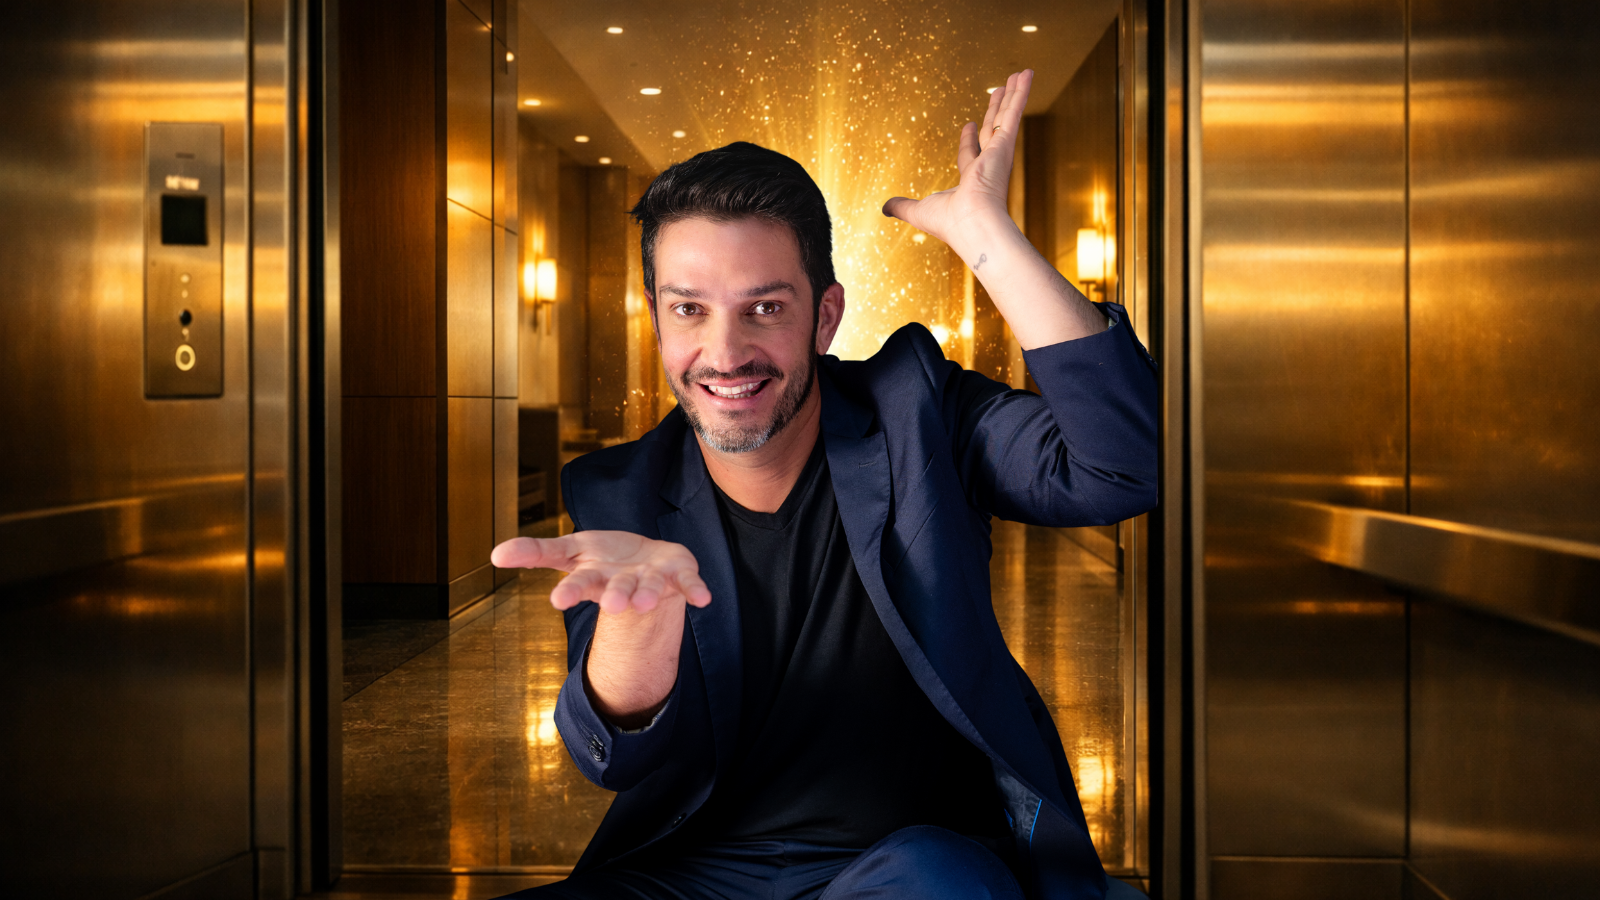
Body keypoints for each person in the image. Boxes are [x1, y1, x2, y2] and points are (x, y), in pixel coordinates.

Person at [492, 70, 1157, 900]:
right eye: (689, 309)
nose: (725, 352)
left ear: (826, 316)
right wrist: (637, 630)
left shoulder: (920, 411)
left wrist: (989, 239)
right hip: (694, 873)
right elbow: (614, 759)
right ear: (659, 316)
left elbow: (1122, 466)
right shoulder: (619, 491)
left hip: (913, 863)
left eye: (765, 307)